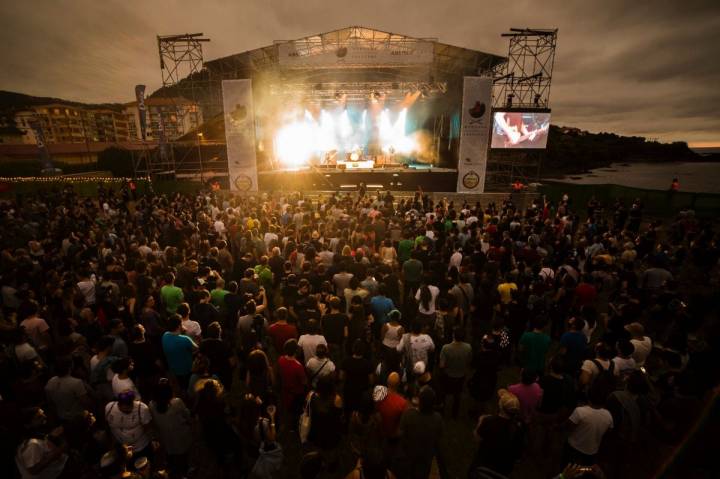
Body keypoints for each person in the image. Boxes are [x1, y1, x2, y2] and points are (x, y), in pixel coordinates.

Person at [470, 389, 524, 477]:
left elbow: (477, 438)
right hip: (503, 469)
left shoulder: (488, 421)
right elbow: (518, 454)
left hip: (484, 465)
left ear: (500, 406)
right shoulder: (519, 428)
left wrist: (480, 422)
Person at [149, 378, 192, 478]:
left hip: (165, 437)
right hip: (181, 435)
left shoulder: (151, 405)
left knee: (172, 454)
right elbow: (187, 415)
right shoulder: (176, 403)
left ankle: (175, 468)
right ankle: (185, 471)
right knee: (183, 455)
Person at [398, 386, 444, 478]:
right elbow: (439, 436)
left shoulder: (409, 415)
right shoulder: (438, 418)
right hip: (426, 455)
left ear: (420, 402)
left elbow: (401, 433)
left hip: (410, 454)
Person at [564, 384, 613, 466]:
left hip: (573, 447)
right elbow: (609, 432)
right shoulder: (608, 415)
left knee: (567, 470)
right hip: (592, 451)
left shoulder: (580, 411)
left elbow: (569, 426)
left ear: (588, 397)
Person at [15, 408, 68, 479]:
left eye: (43, 413)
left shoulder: (40, 435)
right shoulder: (31, 444)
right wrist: (58, 451)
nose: (45, 416)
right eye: (39, 417)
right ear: (28, 425)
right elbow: (33, 470)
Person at [105, 391, 154, 459]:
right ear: (119, 403)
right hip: (123, 450)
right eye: (126, 405)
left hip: (142, 446)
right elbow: (108, 426)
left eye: (130, 404)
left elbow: (148, 428)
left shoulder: (141, 409)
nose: (129, 407)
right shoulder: (109, 408)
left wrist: (153, 440)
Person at [45, 355, 92, 422]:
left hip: (62, 417)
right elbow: (85, 402)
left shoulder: (50, 382)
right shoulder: (76, 383)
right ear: (70, 366)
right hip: (79, 417)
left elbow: (50, 403)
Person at [439, 326, 472, 418]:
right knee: (457, 394)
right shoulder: (468, 347)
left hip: (448, 375)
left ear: (453, 335)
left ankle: (443, 411)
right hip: (461, 375)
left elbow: (441, 365)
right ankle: (455, 413)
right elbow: (469, 361)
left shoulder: (446, 348)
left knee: (445, 393)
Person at [161, 314, 198, 390]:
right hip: (187, 369)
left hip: (174, 369)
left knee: (181, 385)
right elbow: (196, 349)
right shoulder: (185, 339)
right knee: (188, 385)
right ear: (178, 326)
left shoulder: (165, 335)